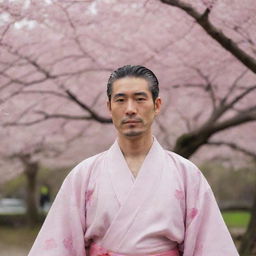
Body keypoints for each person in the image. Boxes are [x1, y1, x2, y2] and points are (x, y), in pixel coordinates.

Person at [29, 65, 239, 256]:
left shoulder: (187, 174)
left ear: (157, 105)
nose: (130, 109)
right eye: (120, 100)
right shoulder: (84, 175)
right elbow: (58, 244)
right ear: (109, 107)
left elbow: (211, 244)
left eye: (140, 98)